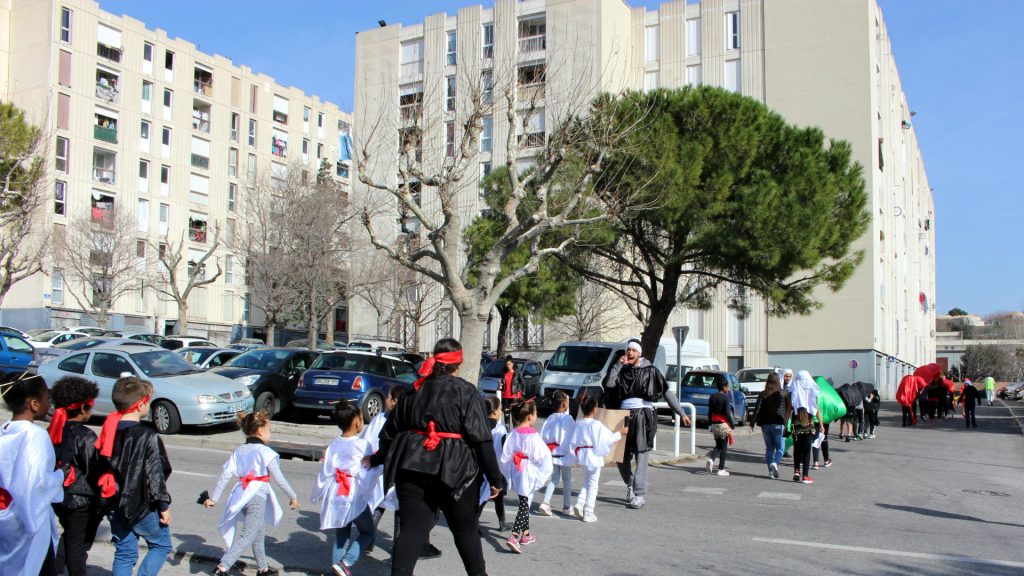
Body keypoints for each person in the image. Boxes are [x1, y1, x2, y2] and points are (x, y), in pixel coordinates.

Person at [375, 338, 505, 576]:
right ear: (458, 363)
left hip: (412, 466)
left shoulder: (412, 391)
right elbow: (481, 439)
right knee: (465, 530)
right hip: (456, 471)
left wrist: (375, 459)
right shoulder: (466, 391)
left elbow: (389, 433)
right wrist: (496, 477)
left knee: (412, 529)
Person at [204, 411, 300, 576]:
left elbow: (225, 476)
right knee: (248, 535)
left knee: (258, 531)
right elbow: (280, 479)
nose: (270, 434)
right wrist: (293, 496)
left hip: (240, 495)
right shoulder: (266, 453)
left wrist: (214, 498)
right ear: (261, 431)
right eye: (269, 430)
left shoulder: (239, 451)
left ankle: (262, 568)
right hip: (256, 497)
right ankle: (222, 567)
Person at [96, 376, 174, 576]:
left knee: (125, 552)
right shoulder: (147, 435)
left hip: (113, 502)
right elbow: (155, 473)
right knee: (161, 545)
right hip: (140, 504)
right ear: (140, 405)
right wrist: (163, 506)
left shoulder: (108, 430)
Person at [604, 340, 690, 509]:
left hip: (643, 415)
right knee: (620, 456)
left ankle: (640, 494)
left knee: (642, 454)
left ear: (639, 353)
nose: (629, 353)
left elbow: (667, 393)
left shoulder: (651, 371)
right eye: (627, 350)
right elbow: (609, 384)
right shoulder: (621, 370)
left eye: (633, 350)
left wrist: (681, 412)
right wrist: (617, 366)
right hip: (624, 415)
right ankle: (630, 485)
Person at [0, 375, 65, 576]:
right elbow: (35, 484)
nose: (49, 403)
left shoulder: (4, 430)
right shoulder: (35, 435)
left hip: (6, 516)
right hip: (27, 518)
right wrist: (60, 476)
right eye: (47, 397)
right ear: (34, 403)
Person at [313, 400, 378, 576]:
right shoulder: (362, 445)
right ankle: (347, 561)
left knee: (341, 536)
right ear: (357, 421)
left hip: (335, 492)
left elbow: (325, 471)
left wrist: (317, 493)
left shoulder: (334, 444)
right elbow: (370, 471)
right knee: (368, 531)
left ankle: (338, 568)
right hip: (352, 493)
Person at [49, 376, 105, 576]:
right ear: (83, 408)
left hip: (58, 496)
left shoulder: (52, 431)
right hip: (80, 500)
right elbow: (93, 469)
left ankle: (54, 569)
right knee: (77, 544)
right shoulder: (86, 436)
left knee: (70, 537)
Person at [499, 399, 552, 554]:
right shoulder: (534, 436)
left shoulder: (513, 434)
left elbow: (505, 456)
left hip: (517, 469)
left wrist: (508, 472)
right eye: (535, 413)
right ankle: (514, 535)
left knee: (524, 499)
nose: (536, 416)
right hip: (529, 470)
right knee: (525, 503)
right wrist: (541, 476)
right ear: (529, 416)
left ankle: (526, 534)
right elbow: (545, 457)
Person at [568, 394, 623, 523]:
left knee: (588, 481)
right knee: (593, 484)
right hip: (593, 455)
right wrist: (620, 433)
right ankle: (588, 512)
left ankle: (580, 503)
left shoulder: (578, 423)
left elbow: (573, 441)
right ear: (594, 409)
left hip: (582, 455)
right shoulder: (596, 424)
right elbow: (607, 439)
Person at [538, 391, 575, 516]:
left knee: (553, 479)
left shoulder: (550, 418)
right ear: (565, 403)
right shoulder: (569, 419)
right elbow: (572, 436)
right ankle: (566, 506)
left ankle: (545, 502)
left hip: (551, 453)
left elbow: (543, 435)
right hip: (565, 454)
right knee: (567, 480)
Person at [749, 373, 789, 479]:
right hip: (778, 424)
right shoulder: (784, 393)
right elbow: (788, 409)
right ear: (778, 381)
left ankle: (770, 472)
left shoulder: (763, 394)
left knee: (769, 449)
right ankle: (775, 463)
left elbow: (757, 409)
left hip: (765, 425)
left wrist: (751, 424)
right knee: (780, 448)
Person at [478, 396, 510, 531]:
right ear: (496, 411)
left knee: (493, 495)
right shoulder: (500, 428)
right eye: (500, 409)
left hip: (481, 465)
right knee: (487, 495)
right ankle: (474, 524)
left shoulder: (479, 424)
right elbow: (505, 448)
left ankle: (502, 522)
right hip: (495, 467)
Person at [789, 371, 819, 484]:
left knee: (797, 448)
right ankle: (805, 476)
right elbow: (817, 409)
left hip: (795, 423)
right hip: (808, 424)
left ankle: (796, 471)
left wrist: (785, 424)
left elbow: (788, 408)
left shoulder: (793, 392)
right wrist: (821, 424)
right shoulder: (812, 391)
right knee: (806, 450)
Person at [705, 379, 734, 477]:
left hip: (714, 422)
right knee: (724, 447)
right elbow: (727, 413)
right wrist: (732, 424)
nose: (728, 388)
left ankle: (711, 459)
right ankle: (721, 469)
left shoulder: (712, 397)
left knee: (718, 444)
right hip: (723, 423)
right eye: (727, 386)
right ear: (724, 387)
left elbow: (709, 412)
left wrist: (709, 424)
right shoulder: (725, 398)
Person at [499, 356, 523, 431]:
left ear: (512, 364)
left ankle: (516, 432)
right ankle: (507, 433)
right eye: (507, 364)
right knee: (506, 416)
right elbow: (503, 383)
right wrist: (501, 384)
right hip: (506, 397)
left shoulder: (517, 373)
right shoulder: (504, 373)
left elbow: (522, 383)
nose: (508, 366)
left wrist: (521, 393)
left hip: (515, 398)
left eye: (509, 364)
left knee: (515, 417)